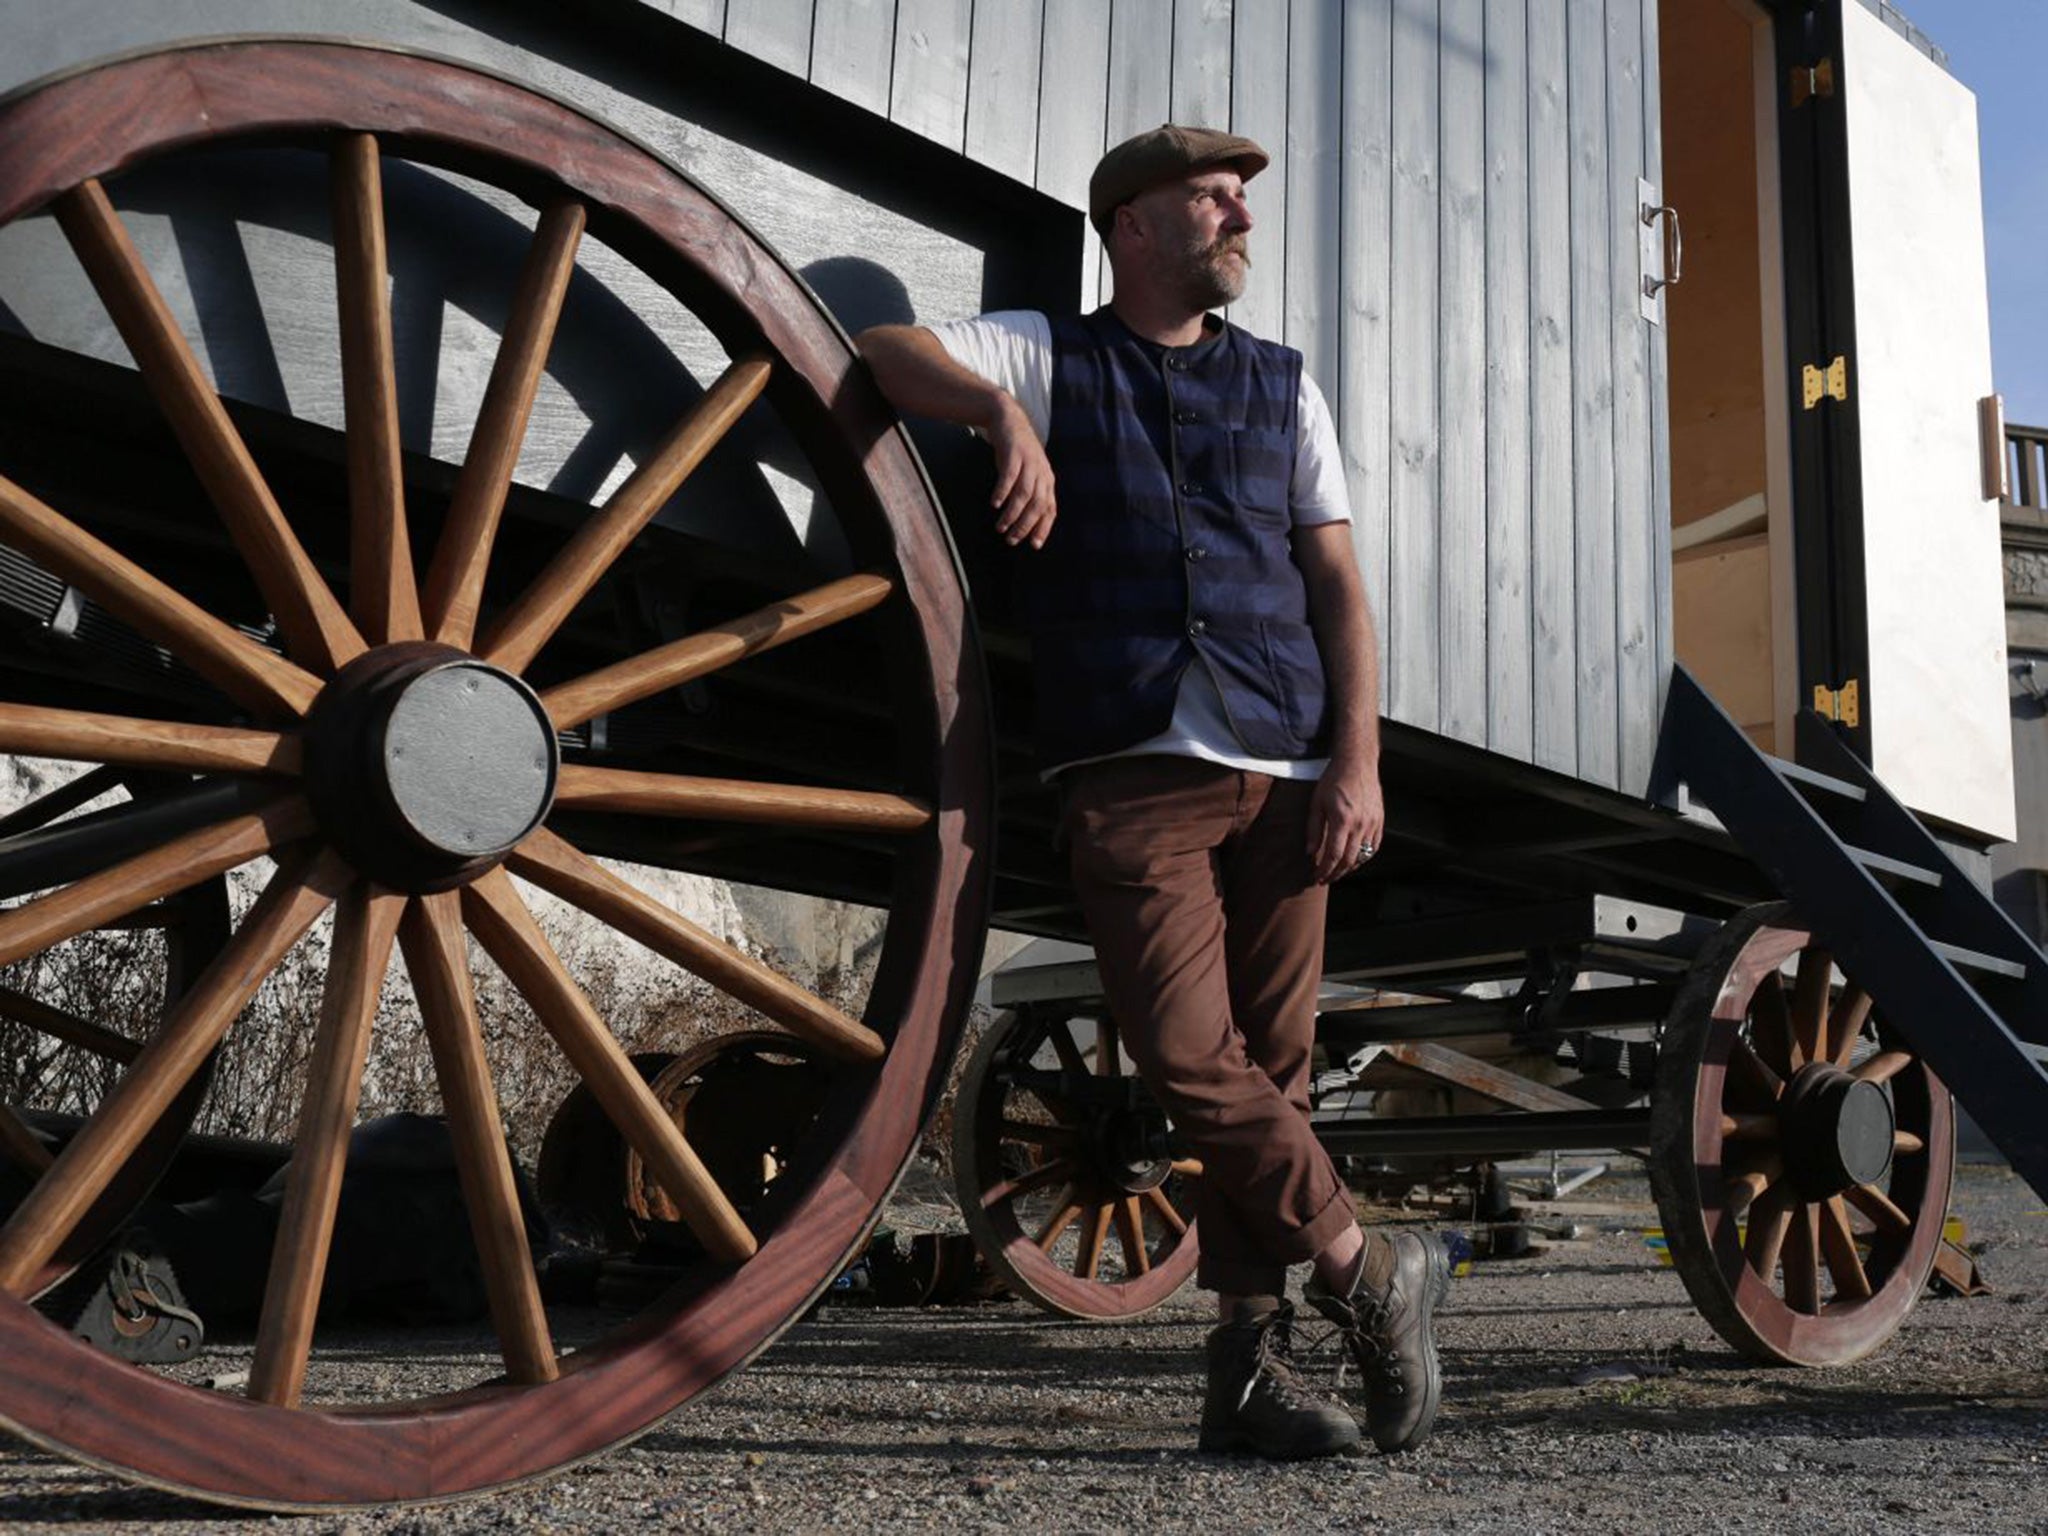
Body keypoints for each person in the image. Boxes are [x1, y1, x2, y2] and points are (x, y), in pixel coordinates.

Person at [858, 124, 1445, 1462]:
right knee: (1191, 1059)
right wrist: (999, 413)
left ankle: (1246, 1368)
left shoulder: (1285, 387)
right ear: (1130, 223)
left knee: (1274, 1071)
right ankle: (1369, 1271)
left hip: (1291, 769)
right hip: (1130, 767)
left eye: (1242, 197)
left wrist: (1357, 761)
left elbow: (1338, 588)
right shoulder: (1047, 353)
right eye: (1212, 195)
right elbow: (885, 355)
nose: (1241, 213)